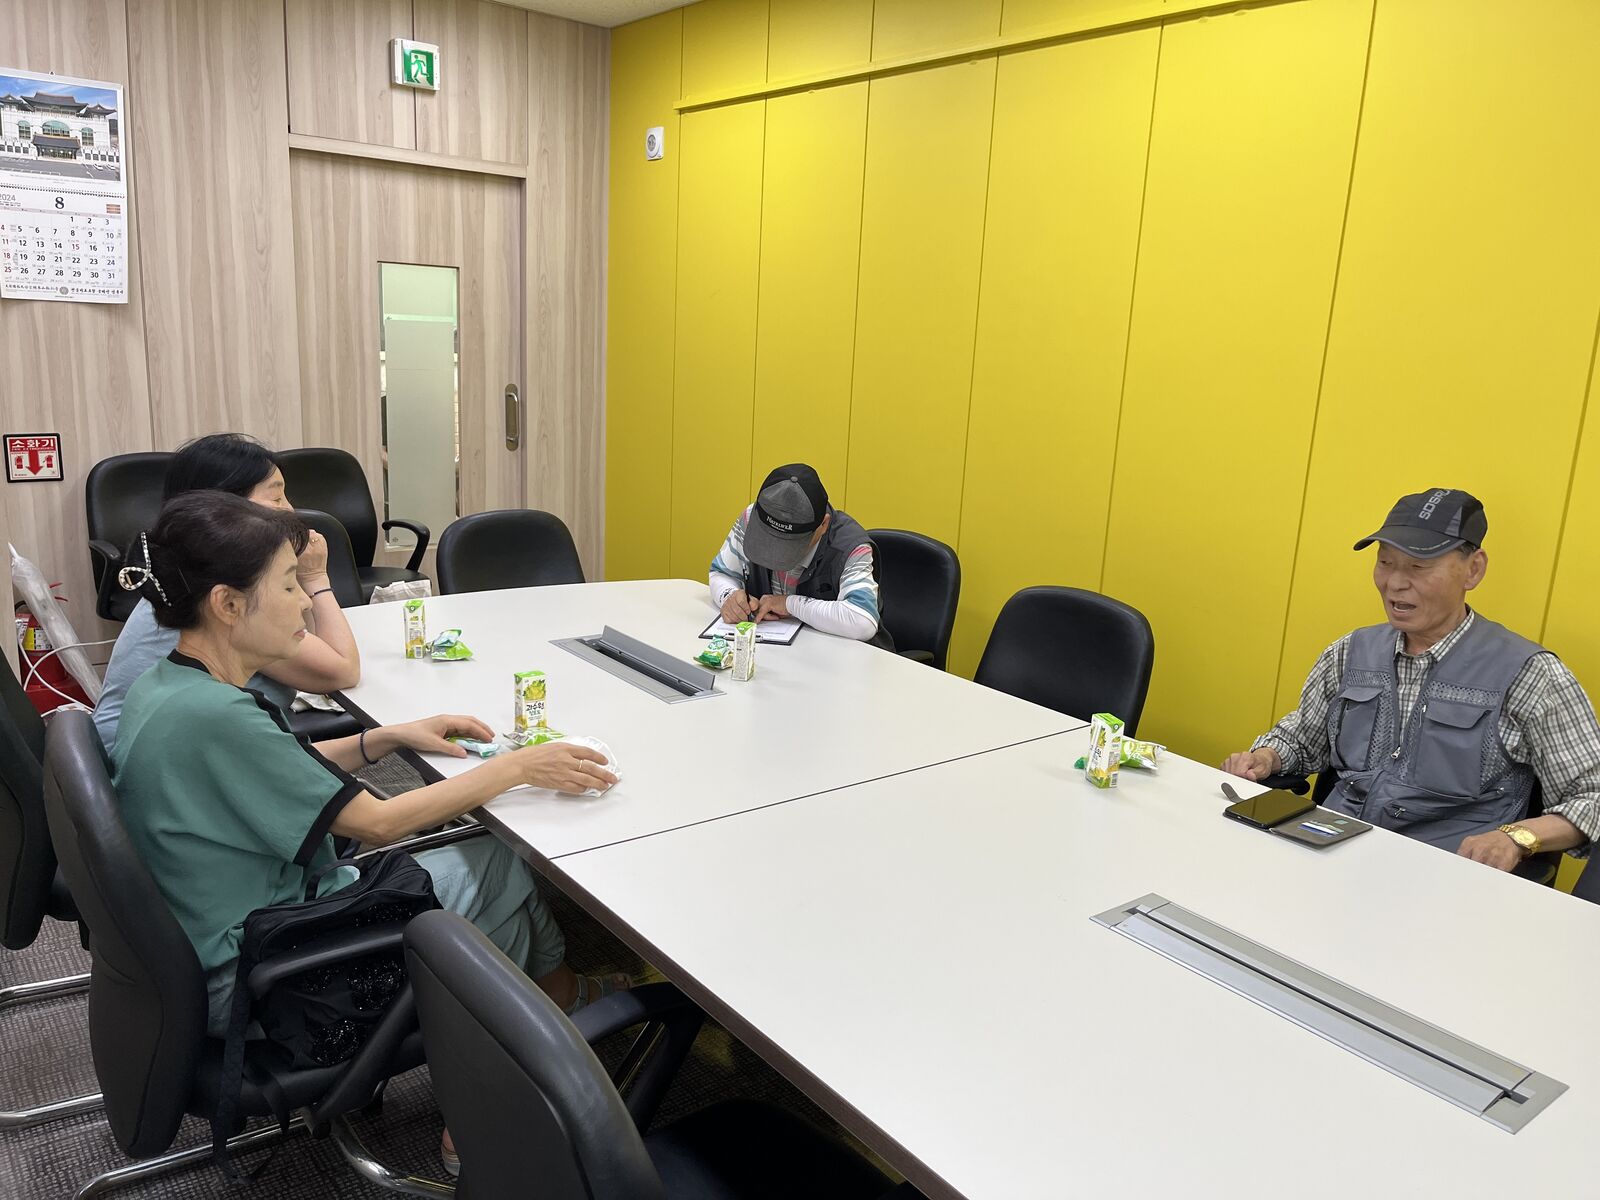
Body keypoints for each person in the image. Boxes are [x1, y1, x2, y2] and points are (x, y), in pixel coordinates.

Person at [112, 492, 627, 1176]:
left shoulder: (172, 688)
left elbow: (275, 768)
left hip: (222, 938)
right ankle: (484, 1116)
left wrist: (384, 737)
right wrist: (517, 767)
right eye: (288, 586)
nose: (305, 603)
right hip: (262, 971)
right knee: (493, 865)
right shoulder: (218, 717)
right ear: (229, 605)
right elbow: (379, 822)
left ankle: (557, 1001)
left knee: (485, 866)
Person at [1222, 488, 1600, 872]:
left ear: (1473, 569)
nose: (1395, 583)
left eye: (1419, 567)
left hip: (1448, 872)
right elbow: (1303, 739)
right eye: (1385, 562)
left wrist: (1517, 838)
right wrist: (1265, 758)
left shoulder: (1530, 675)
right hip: (1329, 853)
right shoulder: (1349, 652)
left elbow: (1592, 797)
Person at [94, 433, 360, 751]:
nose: (291, 510)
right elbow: (340, 671)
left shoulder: (194, 572)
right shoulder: (225, 596)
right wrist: (315, 578)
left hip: (181, 750)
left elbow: (314, 644)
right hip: (157, 763)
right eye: (276, 498)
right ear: (223, 507)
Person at [708, 463, 893, 650]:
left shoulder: (851, 546)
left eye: (790, 544)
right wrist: (729, 597)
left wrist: (790, 605)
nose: (776, 553)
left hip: (841, 659)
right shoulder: (752, 518)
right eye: (769, 539)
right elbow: (720, 573)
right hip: (773, 654)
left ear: (823, 525)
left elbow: (863, 621)